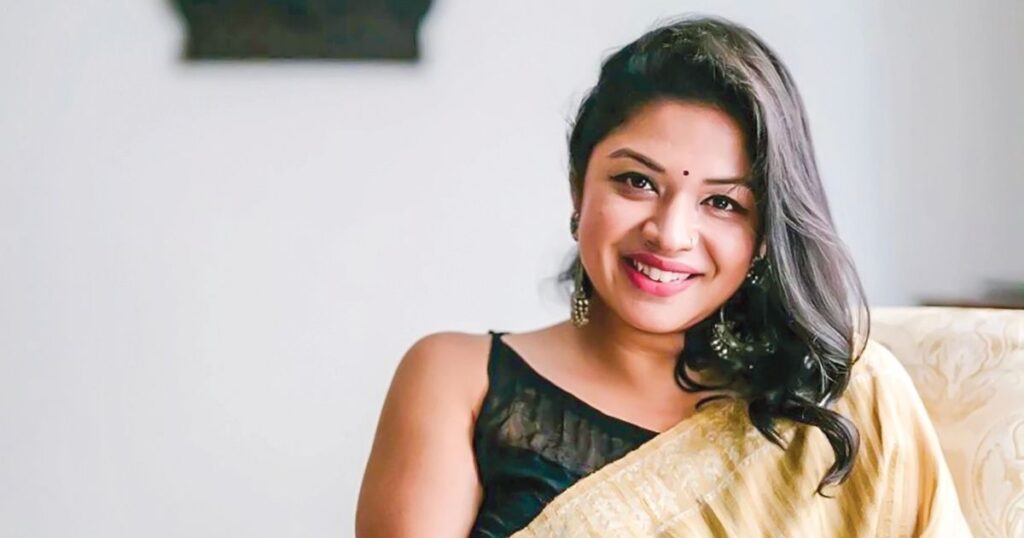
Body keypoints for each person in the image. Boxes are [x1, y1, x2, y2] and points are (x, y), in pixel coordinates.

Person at [355, 14, 971, 537]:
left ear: (765, 234)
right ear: (578, 188)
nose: (670, 233)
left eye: (722, 202)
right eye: (637, 181)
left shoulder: (843, 402)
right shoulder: (458, 380)